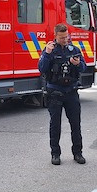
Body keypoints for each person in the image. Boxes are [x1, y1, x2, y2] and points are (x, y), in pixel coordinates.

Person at [38, 23, 87, 165]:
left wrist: (77, 64)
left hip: (71, 91)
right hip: (55, 91)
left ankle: (78, 153)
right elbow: (41, 68)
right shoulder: (50, 50)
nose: (65, 40)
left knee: (75, 124)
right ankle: (55, 154)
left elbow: (83, 68)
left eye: (66, 37)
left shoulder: (74, 50)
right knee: (55, 125)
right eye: (61, 38)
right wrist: (47, 54)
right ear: (55, 36)